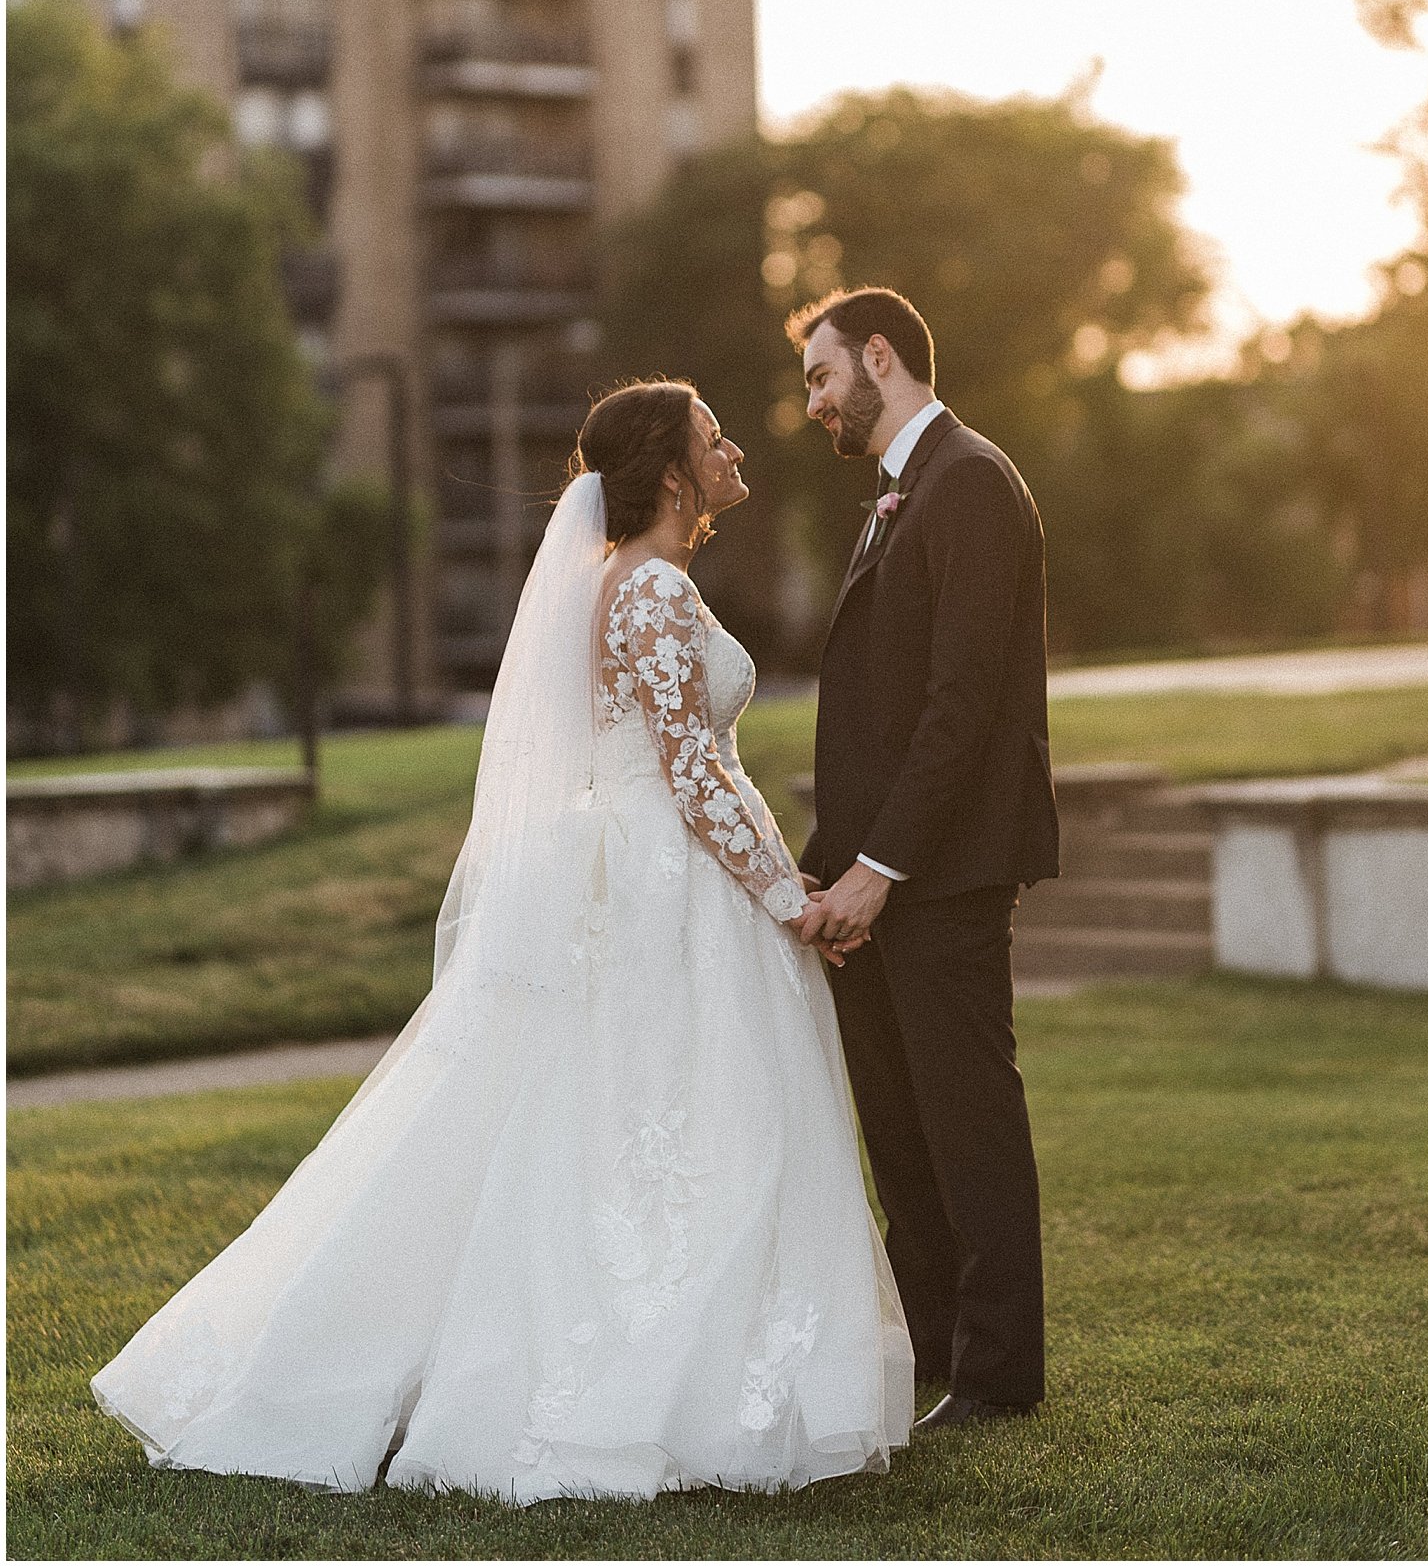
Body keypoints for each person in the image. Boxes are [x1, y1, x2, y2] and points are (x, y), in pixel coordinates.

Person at [92, 379, 912, 1501]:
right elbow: (691, 770)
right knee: (683, 1113)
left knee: (595, 1117)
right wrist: (786, 896)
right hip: (664, 882)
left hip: (627, 869)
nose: (731, 451)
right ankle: (649, 1385)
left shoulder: (611, 583)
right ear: (672, 474)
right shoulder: (658, 591)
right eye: (712, 439)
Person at [789, 287, 1059, 1426]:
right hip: (876, 874)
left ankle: (1000, 1375)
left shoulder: (972, 482)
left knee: (966, 1119)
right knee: (898, 1129)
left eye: (821, 375)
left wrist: (880, 867)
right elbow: (877, 716)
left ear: (880, 356)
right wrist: (822, 863)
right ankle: (935, 1347)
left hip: (942, 873)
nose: (812, 403)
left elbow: (962, 707)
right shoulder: (902, 493)